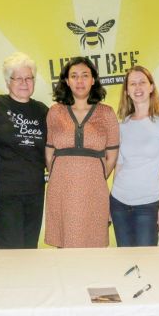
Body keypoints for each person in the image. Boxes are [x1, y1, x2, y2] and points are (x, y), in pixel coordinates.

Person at [45, 57, 119, 248]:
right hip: (61, 188)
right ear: (66, 81)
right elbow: (49, 152)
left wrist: (94, 175)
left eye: (85, 75)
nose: (79, 81)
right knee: (65, 246)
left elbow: (111, 156)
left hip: (93, 189)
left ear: (93, 80)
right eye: (74, 76)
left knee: (93, 245)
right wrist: (64, 173)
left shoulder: (107, 113)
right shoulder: (55, 112)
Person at [110, 65, 159, 247]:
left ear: (151, 87)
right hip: (118, 203)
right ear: (127, 91)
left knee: (147, 263)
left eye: (142, 82)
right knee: (125, 261)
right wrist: (111, 202)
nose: (138, 88)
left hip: (148, 205)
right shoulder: (122, 124)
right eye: (132, 84)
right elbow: (119, 165)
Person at [0, 52, 48, 249]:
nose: (24, 83)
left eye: (29, 78)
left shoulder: (42, 110)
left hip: (35, 192)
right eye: (18, 78)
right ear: (8, 82)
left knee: (30, 249)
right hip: (5, 195)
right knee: (10, 253)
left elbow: (51, 150)